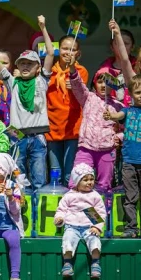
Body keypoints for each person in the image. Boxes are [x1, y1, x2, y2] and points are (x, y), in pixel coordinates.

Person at [0, 16, 54, 192]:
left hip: (39, 135)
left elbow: (50, 53)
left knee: (39, 179)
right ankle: (20, 212)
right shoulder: (13, 82)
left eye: (30, 64)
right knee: (18, 179)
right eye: (22, 63)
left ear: (38, 68)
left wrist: (43, 28)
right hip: (17, 136)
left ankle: (37, 215)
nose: (25, 66)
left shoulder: (42, 81)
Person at [110, 19, 141, 231]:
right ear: (140, 65)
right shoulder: (136, 81)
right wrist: (118, 34)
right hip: (138, 144)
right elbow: (123, 58)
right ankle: (135, 225)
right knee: (135, 188)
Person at [104, 75, 141, 238]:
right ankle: (131, 228)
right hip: (129, 162)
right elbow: (117, 116)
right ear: (131, 94)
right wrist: (110, 115)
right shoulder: (127, 111)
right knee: (130, 197)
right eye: (138, 92)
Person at [67, 54, 123, 194]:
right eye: (100, 82)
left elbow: (129, 127)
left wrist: (120, 137)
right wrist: (72, 68)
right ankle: (76, 210)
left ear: (113, 86)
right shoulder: (88, 98)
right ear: (94, 84)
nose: (103, 85)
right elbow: (77, 85)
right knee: (76, 181)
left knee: (104, 185)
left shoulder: (119, 106)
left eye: (108, 82)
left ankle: (103, 212)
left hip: (107, 150)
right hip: (86, 148)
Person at [46, 35, 89, 185]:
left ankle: (70, 205)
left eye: (72, 49)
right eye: (65, 48)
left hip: (73, 127)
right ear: (58, 50)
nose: (68, 52)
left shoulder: (81, 71)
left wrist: (76, 84)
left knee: (69, 172)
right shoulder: (49, 72)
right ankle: (55, 206)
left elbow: (83, 96)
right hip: (53, 127)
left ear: (78, 53)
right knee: (55, 171)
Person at [54, 163, 106, 278]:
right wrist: (59, 219)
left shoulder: (94, 196)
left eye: (92, 179)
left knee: (95, 241)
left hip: (89, 227)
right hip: (71, 226)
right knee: (68, 240)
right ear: (77, 182)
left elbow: (100, 212)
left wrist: (97, 227)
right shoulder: (69, 195)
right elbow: (61, 209)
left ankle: (95, 263)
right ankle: (67, 263)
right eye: (85, 180)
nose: (89, 182)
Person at [96, 28, 136, 106]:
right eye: (118, 43)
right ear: (111, 47)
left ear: (132, 47)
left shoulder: (139, 66)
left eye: (126, 43)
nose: (122, 47)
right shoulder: (104, 69)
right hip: (111, 111)